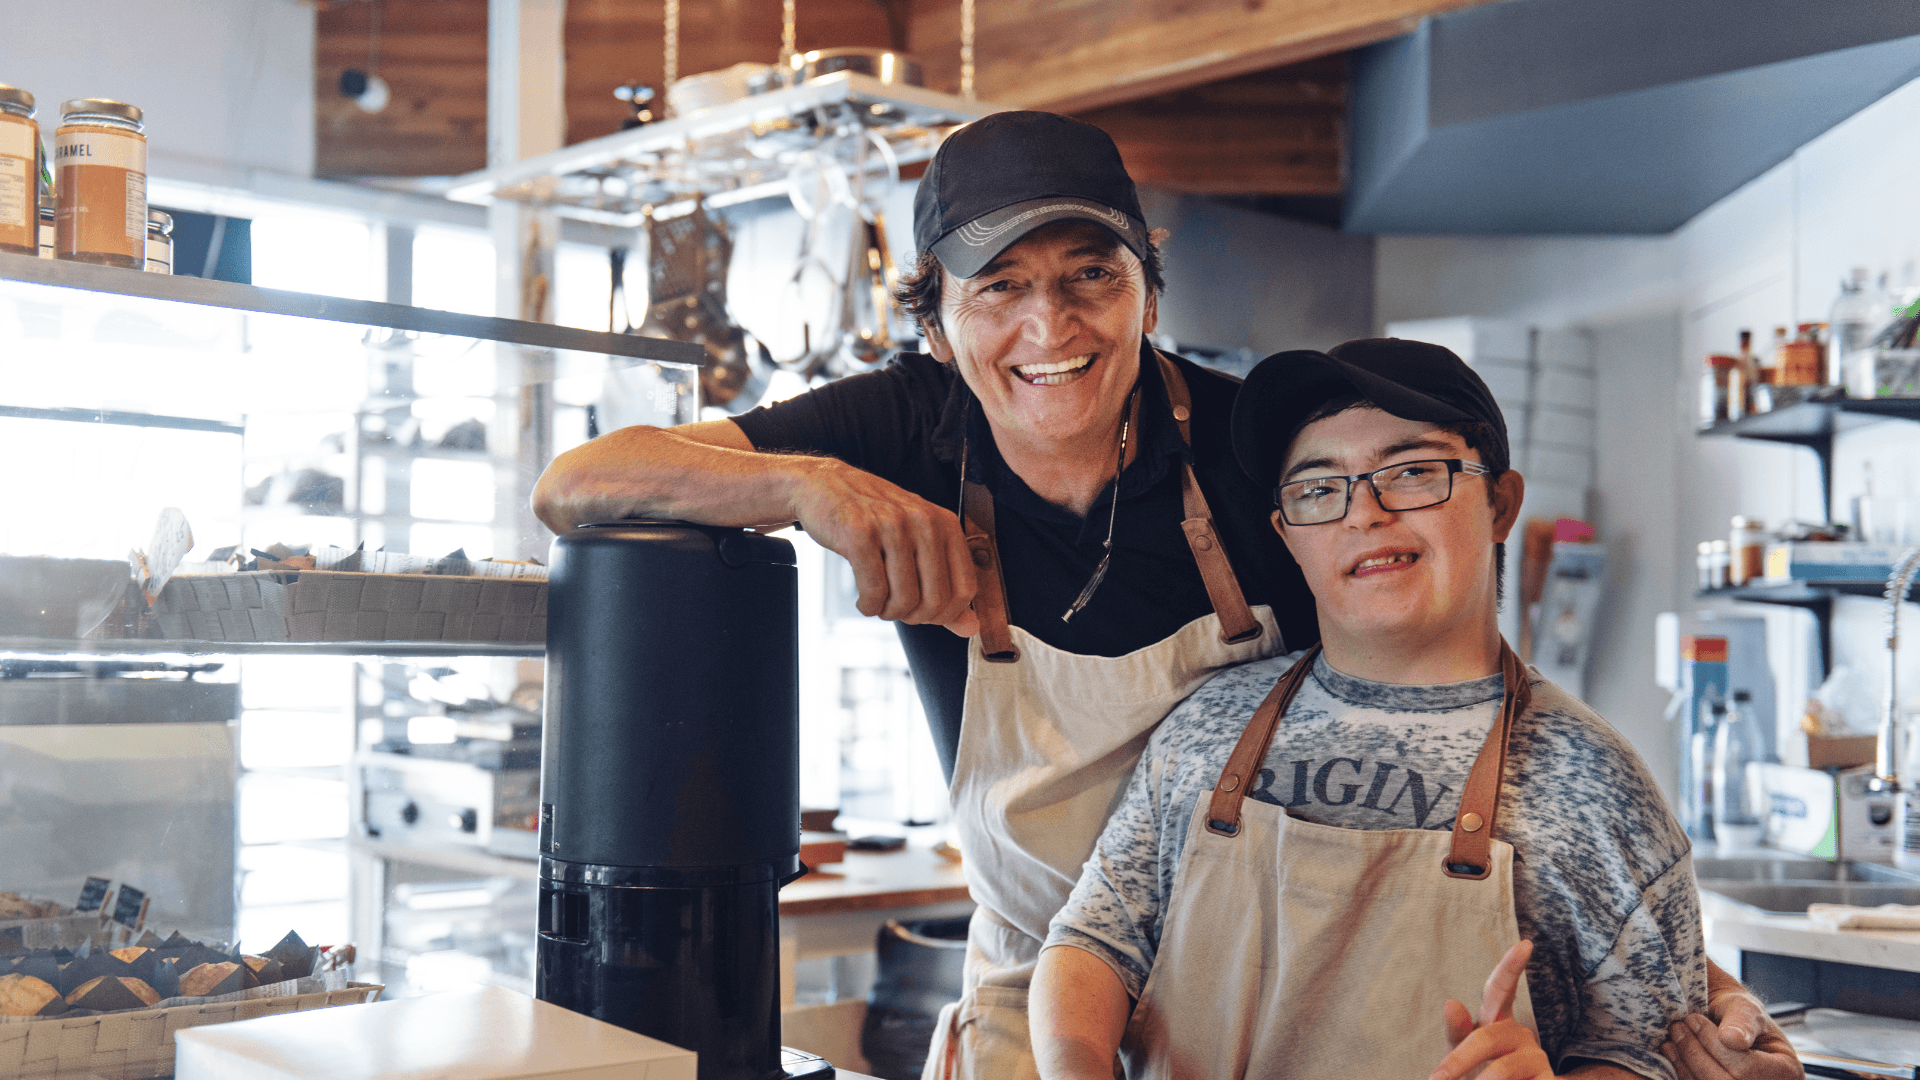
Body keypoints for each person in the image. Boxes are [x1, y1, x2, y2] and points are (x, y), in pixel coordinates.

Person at [531, 113, 1792, 1079]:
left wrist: (1685, 994)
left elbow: (1476, 746)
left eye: (1092, 274)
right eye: (999, 286)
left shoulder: (1262, 456)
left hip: (1251, 979)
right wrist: (806, 485)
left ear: (1147, 287)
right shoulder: (903, 428)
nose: (1051, 327)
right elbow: (576, 483)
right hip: (1040, 985)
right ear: (938, 325)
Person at [1029, 340, 1794, 1080]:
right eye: (1318, 489)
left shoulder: (1596, 784)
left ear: (1500, 503)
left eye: (1413, 472)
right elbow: (1094, 943)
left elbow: (1651, 1054)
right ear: (1286, 535)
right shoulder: (1204, 730)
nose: (1364, 513)